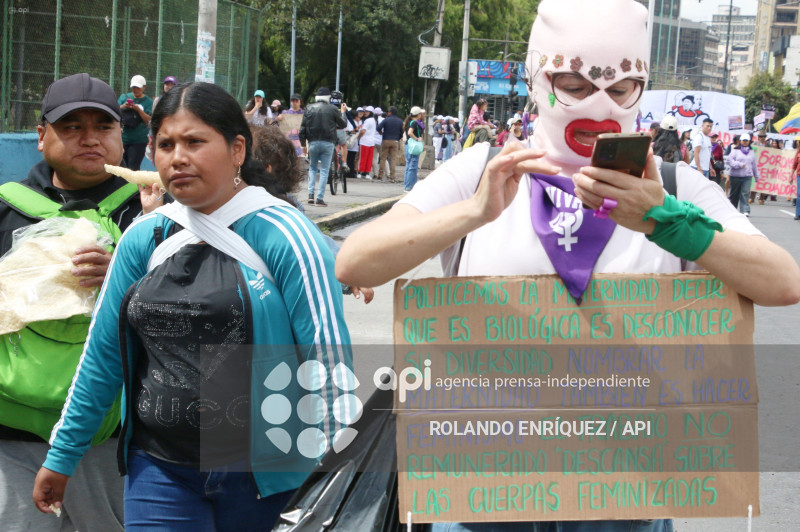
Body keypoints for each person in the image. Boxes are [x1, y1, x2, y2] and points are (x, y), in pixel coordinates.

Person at [335, 3, 800, 531]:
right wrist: (473, 212)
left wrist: (666, 220)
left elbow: (783, 282)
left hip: (625, 497)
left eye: (622, 88)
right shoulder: (482, 171)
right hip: (485, 494)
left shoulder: (672, 185)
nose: (599, 104)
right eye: (574, 83)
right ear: (538, 80)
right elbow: (356, 262)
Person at [33, 81, 355, 530]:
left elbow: (327, 359)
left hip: (267, 480)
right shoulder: (144, 238)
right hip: (159, 470)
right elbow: (102, 356)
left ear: (237, 148)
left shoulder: (286, 234)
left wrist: (335, 475)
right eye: (165, 144)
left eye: (195, 142)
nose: (177, 157)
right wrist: (63, 454)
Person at [0, 73, 148, 532]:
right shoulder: (7, 209)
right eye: (72, 127)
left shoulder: (151, 211)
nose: (90, 139)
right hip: (14, 440)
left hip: (115, 442)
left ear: (120, 136)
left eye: (103, 127)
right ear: (42, 137)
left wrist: (127, 277)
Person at [299, 87, 347, 206]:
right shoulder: (333, 109)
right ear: (328, 98)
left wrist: (303, 145)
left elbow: (302, 129)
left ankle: (310, 195)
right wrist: (343, 112)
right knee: (325, 170)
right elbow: (343, 123)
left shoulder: (309, 108)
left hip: (313, 142)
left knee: (313, 168)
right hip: (328, 143)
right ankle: (319, 198)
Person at [117, 75, 153, 171]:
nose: (135, 90)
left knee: (133, 167)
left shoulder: (148, 102)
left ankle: (134, 186)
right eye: (134, 87)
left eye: (138, 87)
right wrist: (124, 106)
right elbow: (114, 111)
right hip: (124, 138)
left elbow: (148, 120)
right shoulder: (124, 97)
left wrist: (137, 109)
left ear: (144, 87)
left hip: (138, 140)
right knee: (122, 167)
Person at [727, 133, 758, 217]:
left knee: (745, 193)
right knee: (734, 194)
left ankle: (745, 210)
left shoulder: (751, 152)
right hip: (735, 176)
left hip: (747, 176)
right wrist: (739, 164)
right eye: (743, 140)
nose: (745, 142)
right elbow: (729, 161)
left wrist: (756, 176)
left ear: (749, 141)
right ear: (740, 141)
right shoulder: (735, 151)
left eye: (746, 140)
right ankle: (732, 209)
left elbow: (754, 164)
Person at [377, 106, 404, 182]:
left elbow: (378, 128)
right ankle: (392, 176)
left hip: (386, 140)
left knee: (383, 158)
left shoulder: (386, 120)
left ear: (390, 112)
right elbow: (402, 133)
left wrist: (381, 133)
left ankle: (380, 175)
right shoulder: (400, 121)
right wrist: (397, 138)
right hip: (395, 141)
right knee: (393, 159)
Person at [402, 106, 425, 192]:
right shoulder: (415, 123)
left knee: (408, 166)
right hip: (413, 146)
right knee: (413, 167)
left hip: (408, 145)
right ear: (418, 115)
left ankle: (407, 185)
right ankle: (409, 186)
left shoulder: (409, 122)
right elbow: (410, 133)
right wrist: (417, 139)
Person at [356, 106, 376, 178]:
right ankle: (367, 173)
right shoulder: (374, 120)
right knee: (369, 158)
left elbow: (363, 131)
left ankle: (359, 172)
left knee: (362, 158)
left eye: (367, 112)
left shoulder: (367, 121)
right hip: (371, 142)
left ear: (370, 113)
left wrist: (358, 137)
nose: (365, 113)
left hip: (364, 141)